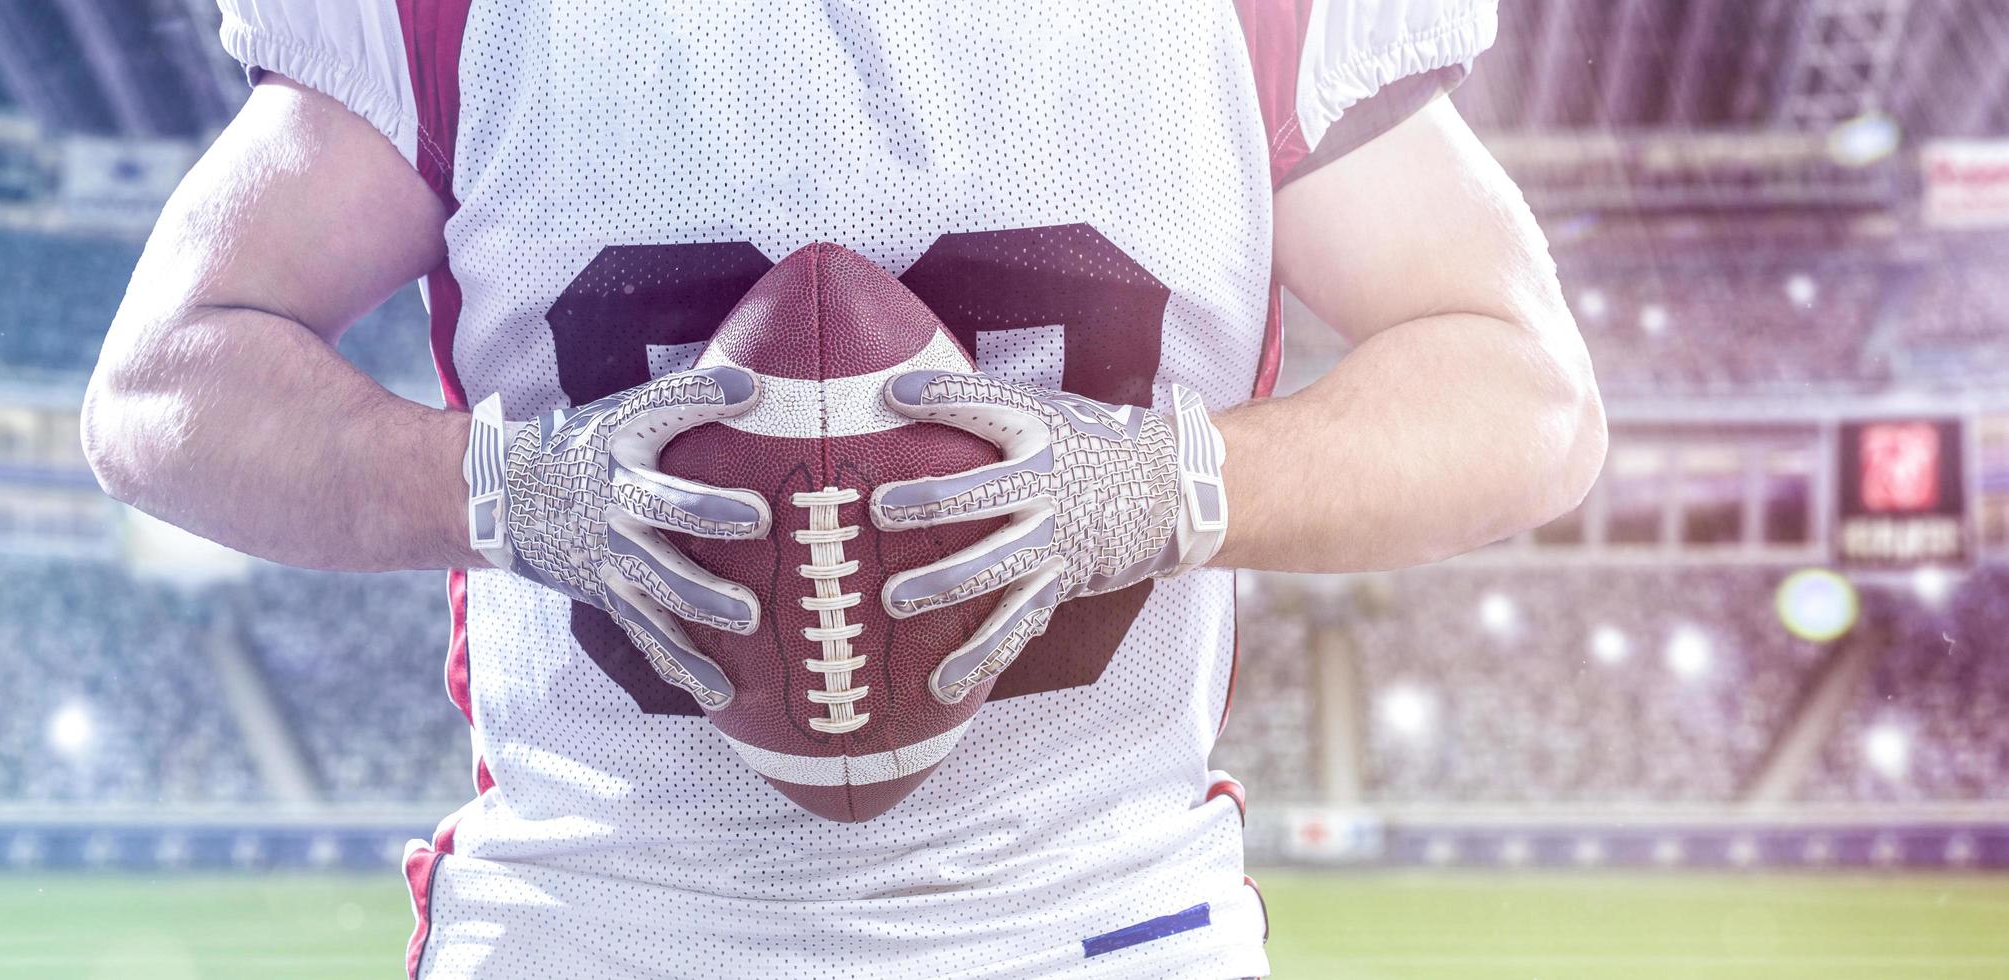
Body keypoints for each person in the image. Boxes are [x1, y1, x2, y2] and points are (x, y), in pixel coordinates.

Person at [81, 1, 1605, 975]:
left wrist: (1167, 482)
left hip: (1092, 921)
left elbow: (1522, 391)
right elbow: (163, 386)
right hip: (605, 920)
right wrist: (502, 488)